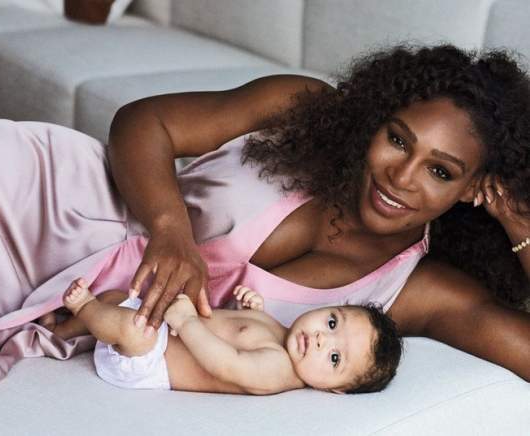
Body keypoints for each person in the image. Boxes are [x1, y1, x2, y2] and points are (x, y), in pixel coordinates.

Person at [107, 44, 530, 381]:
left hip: (93, 321)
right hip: (72, 209)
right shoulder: (302, 110)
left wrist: (519, 225)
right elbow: (144, 121)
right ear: (378, 119)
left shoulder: (418, 288)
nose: (401, 177)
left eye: (440, 172)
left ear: (472, 187)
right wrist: (170, 229)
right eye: (398, 141)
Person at [49, 278, 401, 394]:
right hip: (163, 329)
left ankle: (85, 309)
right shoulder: (281, 332)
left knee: (131, 327)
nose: (322, 339)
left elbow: (227, 363)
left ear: (336, 389)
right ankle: (62, 330)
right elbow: (230, 331)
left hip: (149, 360)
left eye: (335, 358)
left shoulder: (280, 371)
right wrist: (245, 309)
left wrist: (188, 322)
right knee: (120, 299)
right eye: (333, 323)